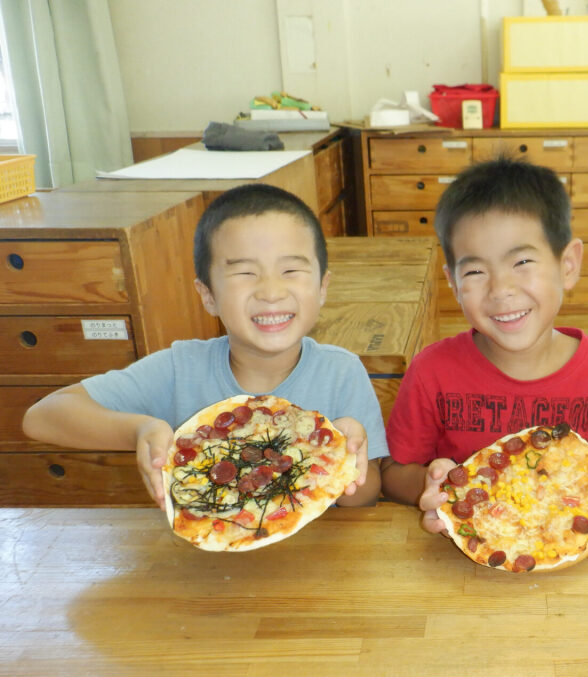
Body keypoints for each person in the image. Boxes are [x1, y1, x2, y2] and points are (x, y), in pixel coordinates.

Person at [22, 183, 386, 508]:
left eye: (291, 271)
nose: (271, 291)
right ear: (208, 295)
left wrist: (345, 454)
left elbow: (368, 496)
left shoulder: (342, 371)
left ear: (322, 287)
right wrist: (138, 430)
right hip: (200, 567)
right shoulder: (180, 368)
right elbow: (42, 417)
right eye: (245, 272)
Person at [381, 156, 588, 531]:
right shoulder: (430, 371)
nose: (501, 290)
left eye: (521, 262)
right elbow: (393, 472)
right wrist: (430, 484)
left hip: (562, 543)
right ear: (452, 284)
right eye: (475, 271)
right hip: (461, 555)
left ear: (568, 265)